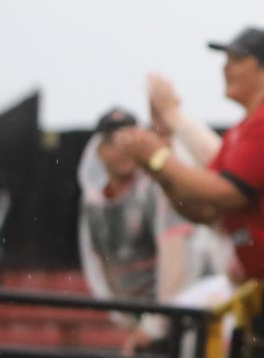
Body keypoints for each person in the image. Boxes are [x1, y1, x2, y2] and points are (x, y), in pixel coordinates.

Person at [104, 29, 264, 315]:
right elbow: (205, 210)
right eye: (226, 60)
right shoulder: (242, 130)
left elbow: (225, 195)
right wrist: (157, 170)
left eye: (237, 59)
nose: (226, 68)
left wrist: (157, 156)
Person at [77, 108, 197, 330]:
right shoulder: (93, 204)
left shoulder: (157, 189)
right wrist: (129, 322)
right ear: (100, 151)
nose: (123, 149)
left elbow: (178, 255)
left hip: (173, 317)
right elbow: (100, 264)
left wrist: (159, 322)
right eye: (114, 142)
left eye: (130, 140)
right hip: (135, 319)